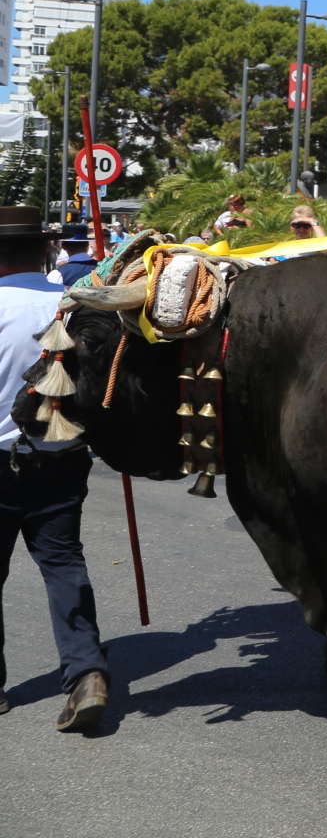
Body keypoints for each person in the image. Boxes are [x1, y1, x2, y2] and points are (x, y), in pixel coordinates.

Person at [0, 206, 110, 730]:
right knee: (64, 565)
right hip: (62, 456)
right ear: (44, 250)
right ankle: (87, 673)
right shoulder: (72, 307)